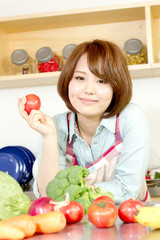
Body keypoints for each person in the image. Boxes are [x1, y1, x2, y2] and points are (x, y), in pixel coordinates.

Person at [18, 39, 150, 204]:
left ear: (117, 87)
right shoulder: (56, 125)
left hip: (129, 222)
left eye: (102, 81)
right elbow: (49, 195)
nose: (89, 90)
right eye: (80, 78)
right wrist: (49, 136)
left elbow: (126, 190)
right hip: (76, 223)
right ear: (68, 81)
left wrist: (69, 194)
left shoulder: (130, 118)